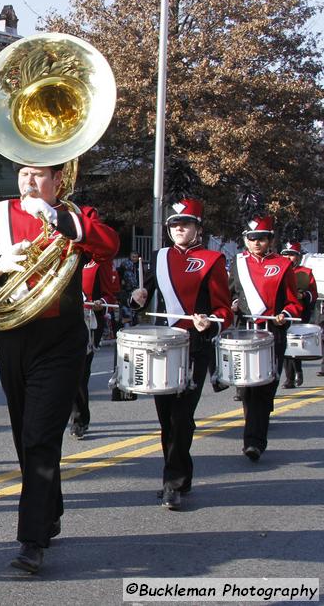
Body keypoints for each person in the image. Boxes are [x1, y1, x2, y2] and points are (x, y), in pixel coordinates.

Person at [0, 162, 118, 574]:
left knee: (39, 438)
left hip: (61, 341)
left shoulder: (77, 216)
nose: (29, 182)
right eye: (24, 174)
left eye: (40, 175)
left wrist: (60, 220)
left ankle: (32, 540)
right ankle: (50, 507)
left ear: (58, 180)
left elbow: (108, 246)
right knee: (24, 436)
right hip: (13, 338)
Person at [128, 199, 233, 510]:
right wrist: (137, 298)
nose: (179, 229)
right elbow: (142, 299)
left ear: (198, 228)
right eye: (174, 224)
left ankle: (171, 483)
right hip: (164, 346)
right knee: (166, 419)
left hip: (195, 346)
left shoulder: (212, 260)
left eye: (185, 224)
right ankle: (181, 475)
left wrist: (209, 323)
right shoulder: (160, 258)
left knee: (181, 416)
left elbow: (224, 309)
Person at [228, 214, 301, 462]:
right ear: (245, 240)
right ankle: (254, 437)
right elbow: (226, 294)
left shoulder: (282, 264)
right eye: (251, 238)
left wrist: (285, 313)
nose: (256, 243)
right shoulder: (237, 264)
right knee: (248, 388)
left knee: (265, 388)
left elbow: (294, 302)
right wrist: (233, 304)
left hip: (272, 333)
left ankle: (255, 440)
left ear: (270, 240)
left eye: (261, 239)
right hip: (246, 332)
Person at [71, 255, 120, 439]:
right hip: (60, 319)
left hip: (88, 321)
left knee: (79, 372)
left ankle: (79, 420)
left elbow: (109, 296)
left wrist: (102, 304)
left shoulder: (100, 262)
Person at [280, 240, 317, 388]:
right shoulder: (278, 270)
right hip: (282, 312)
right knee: (284, 343)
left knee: (295, 343)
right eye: (286, 254)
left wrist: (304, 296)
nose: (288, 257)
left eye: (292, 255)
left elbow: (313, 294)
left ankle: (298, 370)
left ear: (298, 257)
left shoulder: (305, 272)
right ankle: (289, 378)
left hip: (299, 312)